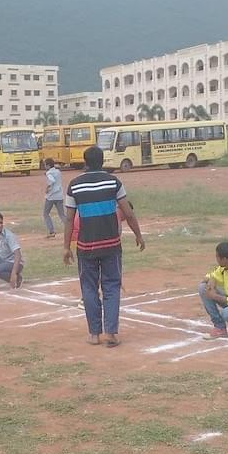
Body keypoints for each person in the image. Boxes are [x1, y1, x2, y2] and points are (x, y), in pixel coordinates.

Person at [63, 145, 144, 347]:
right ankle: (111, 333)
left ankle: (93, 334)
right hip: (111, 244)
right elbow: (128, 212)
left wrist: (66, 247)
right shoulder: (114, 182)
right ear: (102, 161)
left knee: (89, 288)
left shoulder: (74, 185)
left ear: (86, 162)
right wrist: (138, 235)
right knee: (111, 287)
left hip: (85, 246)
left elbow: (69, 219)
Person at [43, 158, 65, 238]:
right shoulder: (58, 171)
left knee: (46, 213)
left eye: (45, 165)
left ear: (48, 165)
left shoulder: (49, 173)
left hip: (51, 196)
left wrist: (47, 188)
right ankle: (70, 229)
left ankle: (51, 231)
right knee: (62, 214)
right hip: (59, 195)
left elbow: (51, 181)